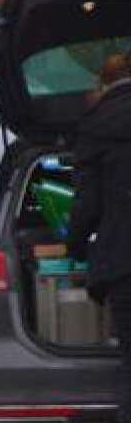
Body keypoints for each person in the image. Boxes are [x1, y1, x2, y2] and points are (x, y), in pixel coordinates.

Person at [67, 52, 131, 422]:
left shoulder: (97, 125)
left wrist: (75, 246)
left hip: (125, 264)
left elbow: (87, 204)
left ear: (104, 86)